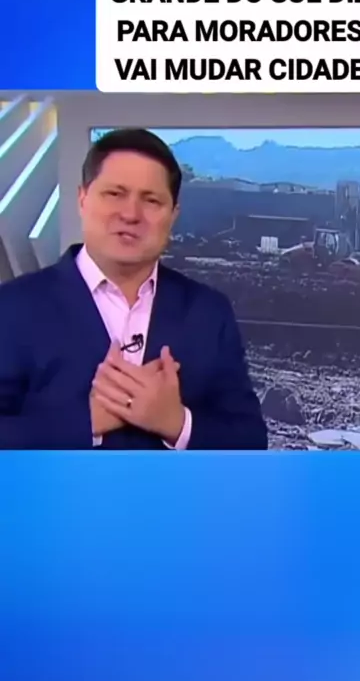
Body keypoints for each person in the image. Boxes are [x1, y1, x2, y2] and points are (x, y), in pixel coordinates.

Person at [0, 129, 268, 450]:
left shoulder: (208, 312)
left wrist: (176, 423)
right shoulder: (11, 308)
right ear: (82, 199)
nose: (130, 214)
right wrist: (86, 423)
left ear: (173, 215)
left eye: (151, 200)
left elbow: (250, 440)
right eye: (115, 194)